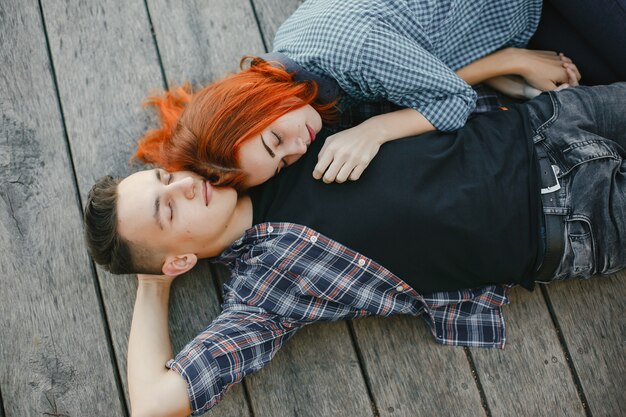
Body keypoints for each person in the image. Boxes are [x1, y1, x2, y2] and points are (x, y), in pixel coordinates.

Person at [84, 83, 626, 415]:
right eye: (167, 210)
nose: (182, 186)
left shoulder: (258, 142)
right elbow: (154, 406)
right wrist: (153, 284)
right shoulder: (263, 293)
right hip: (575, 224)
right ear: (179, 258)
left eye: (163, 178)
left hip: (546, 123)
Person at [133, 0, 582, 189]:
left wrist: (376, 130)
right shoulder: (290, 51)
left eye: (274, 140)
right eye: (284, 161)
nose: (298, 147)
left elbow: (453, 101)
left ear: (253, 100)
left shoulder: (354, 50)